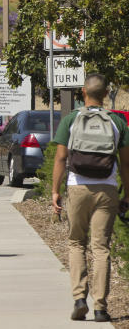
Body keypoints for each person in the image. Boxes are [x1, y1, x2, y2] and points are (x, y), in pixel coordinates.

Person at [51, 73, 129, 323]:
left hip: (78, 187)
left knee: (76, 243)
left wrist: (55, 190)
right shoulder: (118, 123)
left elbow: (61, 158)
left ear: (83, 92)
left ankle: (79, 299)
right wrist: (127, 192)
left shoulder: (71, 119)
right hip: (106, 189)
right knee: (101, 247)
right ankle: (100, 308)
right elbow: (126, 163)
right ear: (106, 94)